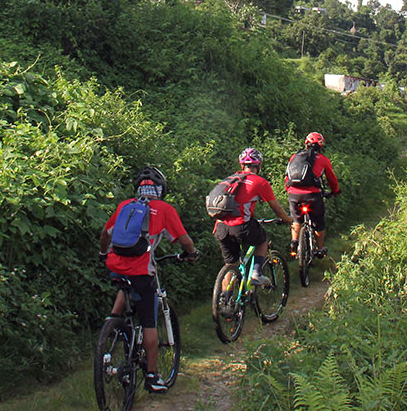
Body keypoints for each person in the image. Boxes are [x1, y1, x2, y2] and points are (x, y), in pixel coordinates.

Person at [100, 166, 198, 394]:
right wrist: (191, 253)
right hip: (142, 272)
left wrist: (103, 254)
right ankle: (152, 376)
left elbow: (105, 234)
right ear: (161, 189)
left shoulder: (125, 206)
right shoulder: (163, 209)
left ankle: (112, 322)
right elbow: (184, 240)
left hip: (115, 267)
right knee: (149, 322)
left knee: (126, 284)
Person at [212, 148, 294, 287]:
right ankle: (256, 274)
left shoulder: (229, 180)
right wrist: (288, 219)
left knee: (231, 265)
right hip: (241, 226)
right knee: (261, 241)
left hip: (220, 228)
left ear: (241, 165)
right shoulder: (260, 182)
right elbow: (276, 208)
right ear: (259, 165)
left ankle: (225, 301)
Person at [285, 132, 340, 259]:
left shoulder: (294, 157)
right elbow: (331, 178)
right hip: (313, 196)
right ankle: (320, 249)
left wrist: (288, 189)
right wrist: (335, 191)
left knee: (296, 219)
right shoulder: (323, 159)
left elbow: (287, 176)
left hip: (293, 194)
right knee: (318, 222)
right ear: (320, 146)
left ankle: (294, 242)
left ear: (306, 144)